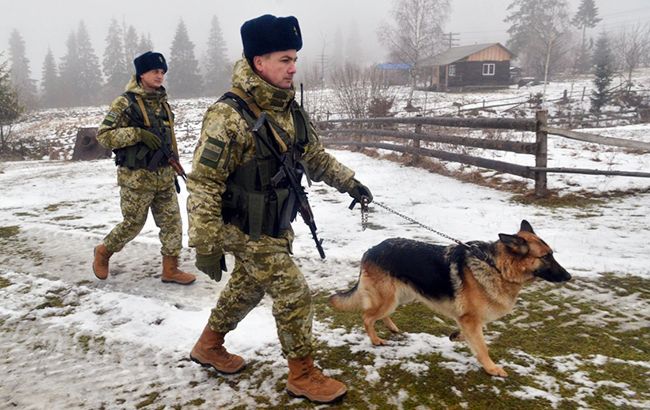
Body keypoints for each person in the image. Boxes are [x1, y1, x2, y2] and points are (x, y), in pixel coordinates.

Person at [186, 14, 372, 404]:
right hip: (240, 226)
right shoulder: (228, 116)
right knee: (293, 293)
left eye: (294, 59)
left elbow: (314, 156)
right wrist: (205, 243)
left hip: (274, 224)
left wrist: (350, 182)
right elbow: (204, 183)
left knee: (246, 287)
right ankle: (302, 374)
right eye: (284, 59)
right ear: (259, 62)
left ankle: (208, 345)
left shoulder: (289, 110)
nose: (293, 68)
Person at [92, 51, 196, 286]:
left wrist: (175, 163)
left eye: (162, 72)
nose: (159, 76)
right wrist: (137, 134)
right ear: (141, 74)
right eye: (154, 71)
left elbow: (170, 139)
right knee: (132, 224)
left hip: (164, 174)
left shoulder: (163, 103)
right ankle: (103, 251)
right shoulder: (125, 103)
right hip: (136, 178)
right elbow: (104, 136)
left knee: (173, 223)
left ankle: (171, 269)